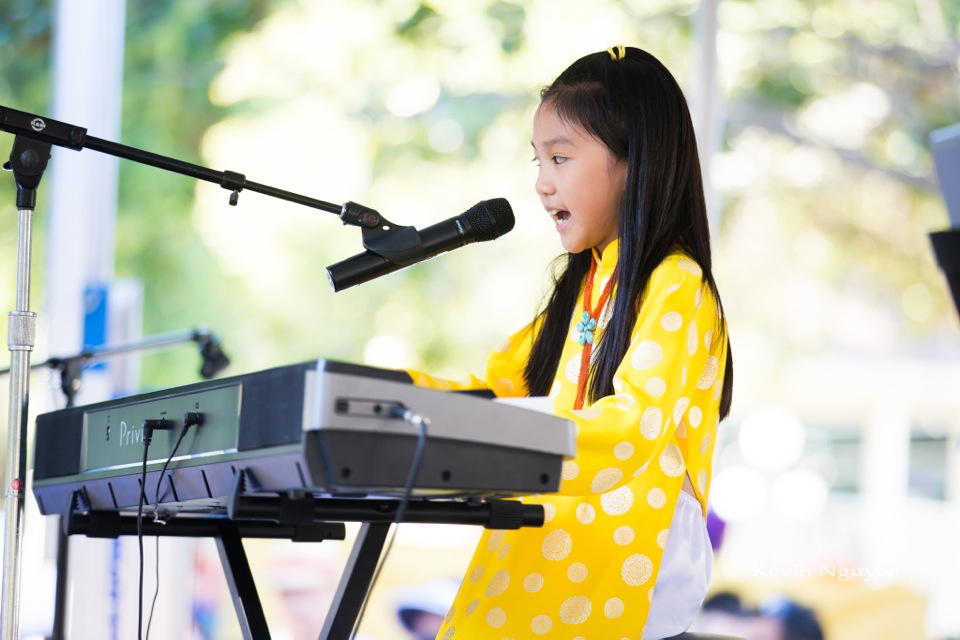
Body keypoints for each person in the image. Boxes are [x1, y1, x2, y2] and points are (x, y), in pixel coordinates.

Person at [407, 45, 734, 638]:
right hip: (551, 546)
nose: (540, 183)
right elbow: (501, 389)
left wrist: (505, 430)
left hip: (620, 571)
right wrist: (397, 396)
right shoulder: (583, 286)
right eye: (537, 161)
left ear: (636, 162)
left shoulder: (677, 284)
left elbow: (632, 429)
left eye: (559, 158)